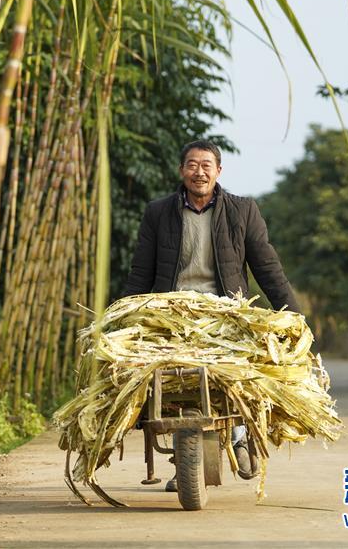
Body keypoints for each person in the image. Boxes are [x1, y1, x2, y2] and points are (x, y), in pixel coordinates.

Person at [122, 139, 301, 491]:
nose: (199, 171)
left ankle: (237, 435)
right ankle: (183, 458)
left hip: (227, 310)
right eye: (192, 164)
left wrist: (294, 316)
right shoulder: (159, 212)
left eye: (206, 165)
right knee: (172, 378)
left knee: (236, 374)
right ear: (181, 171)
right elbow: (141, 271)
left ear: (219, 171)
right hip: (170, 311)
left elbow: (267, 268)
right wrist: (124, 314)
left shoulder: (242, 210)